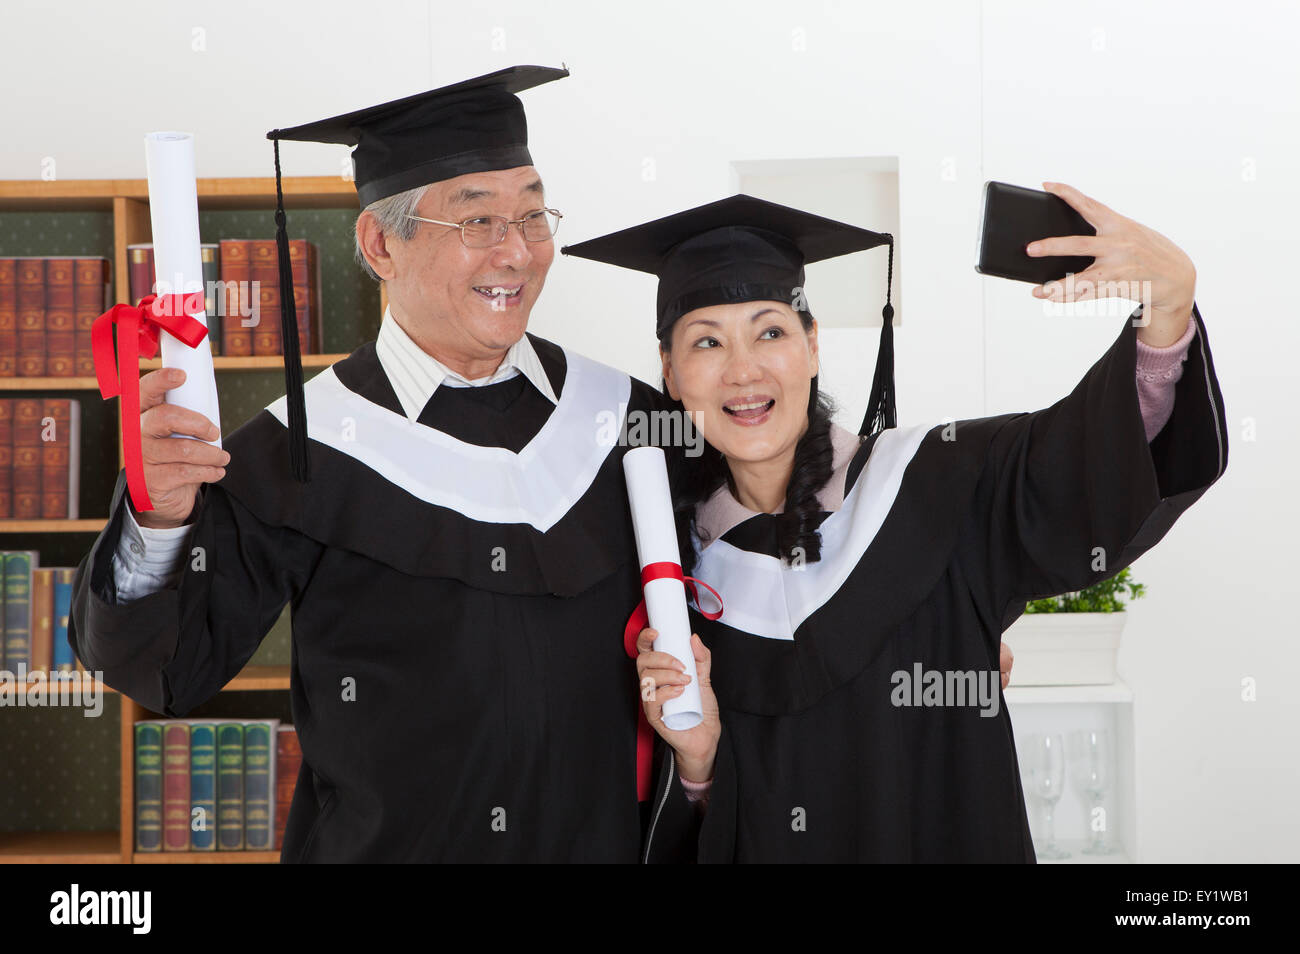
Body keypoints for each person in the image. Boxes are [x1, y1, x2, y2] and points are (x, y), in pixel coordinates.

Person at [68, 65, 706, 863]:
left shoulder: (629, 421)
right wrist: (159, 518)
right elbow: (171, 671)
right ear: (379, 243)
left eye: (533, 213)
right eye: (476, 221)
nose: (516, 250)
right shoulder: (297, 448)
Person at [561, 190, 1228, 861]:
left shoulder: (938, 486)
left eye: (771, 331)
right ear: (671, 374)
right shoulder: (675, 584)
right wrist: (700, 760)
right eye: (707, 342)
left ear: (813, 343)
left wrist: (1165, 314)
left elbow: (1086, 467)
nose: (743, 370)